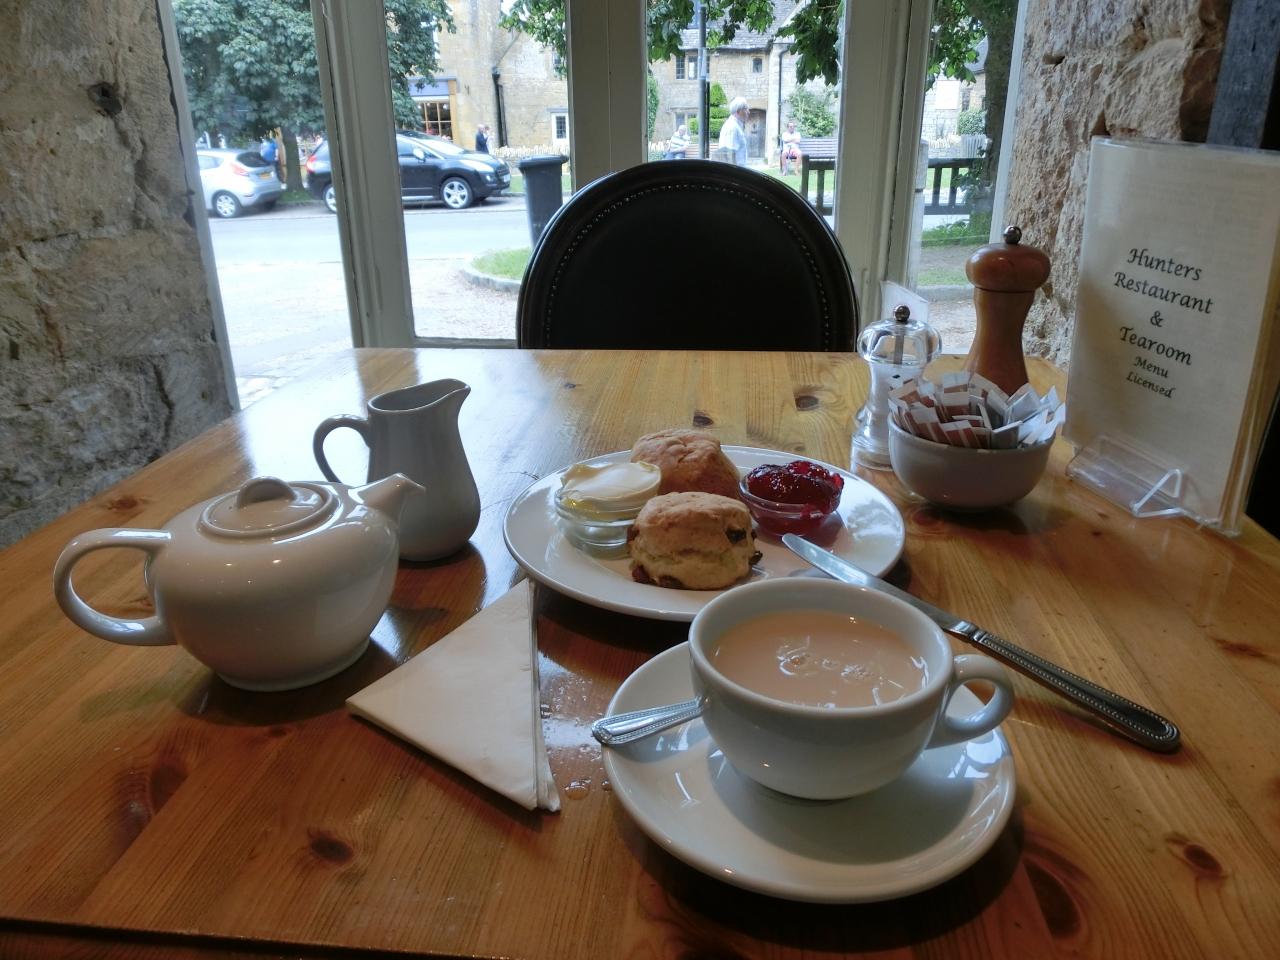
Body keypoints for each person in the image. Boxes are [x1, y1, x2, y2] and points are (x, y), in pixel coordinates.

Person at [717, 97, 750, 166]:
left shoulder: (735, 126)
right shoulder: (732, 127)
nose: (748, 112)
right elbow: (729, 156)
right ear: (738, 111)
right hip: (734, 171)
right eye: (746, 109)